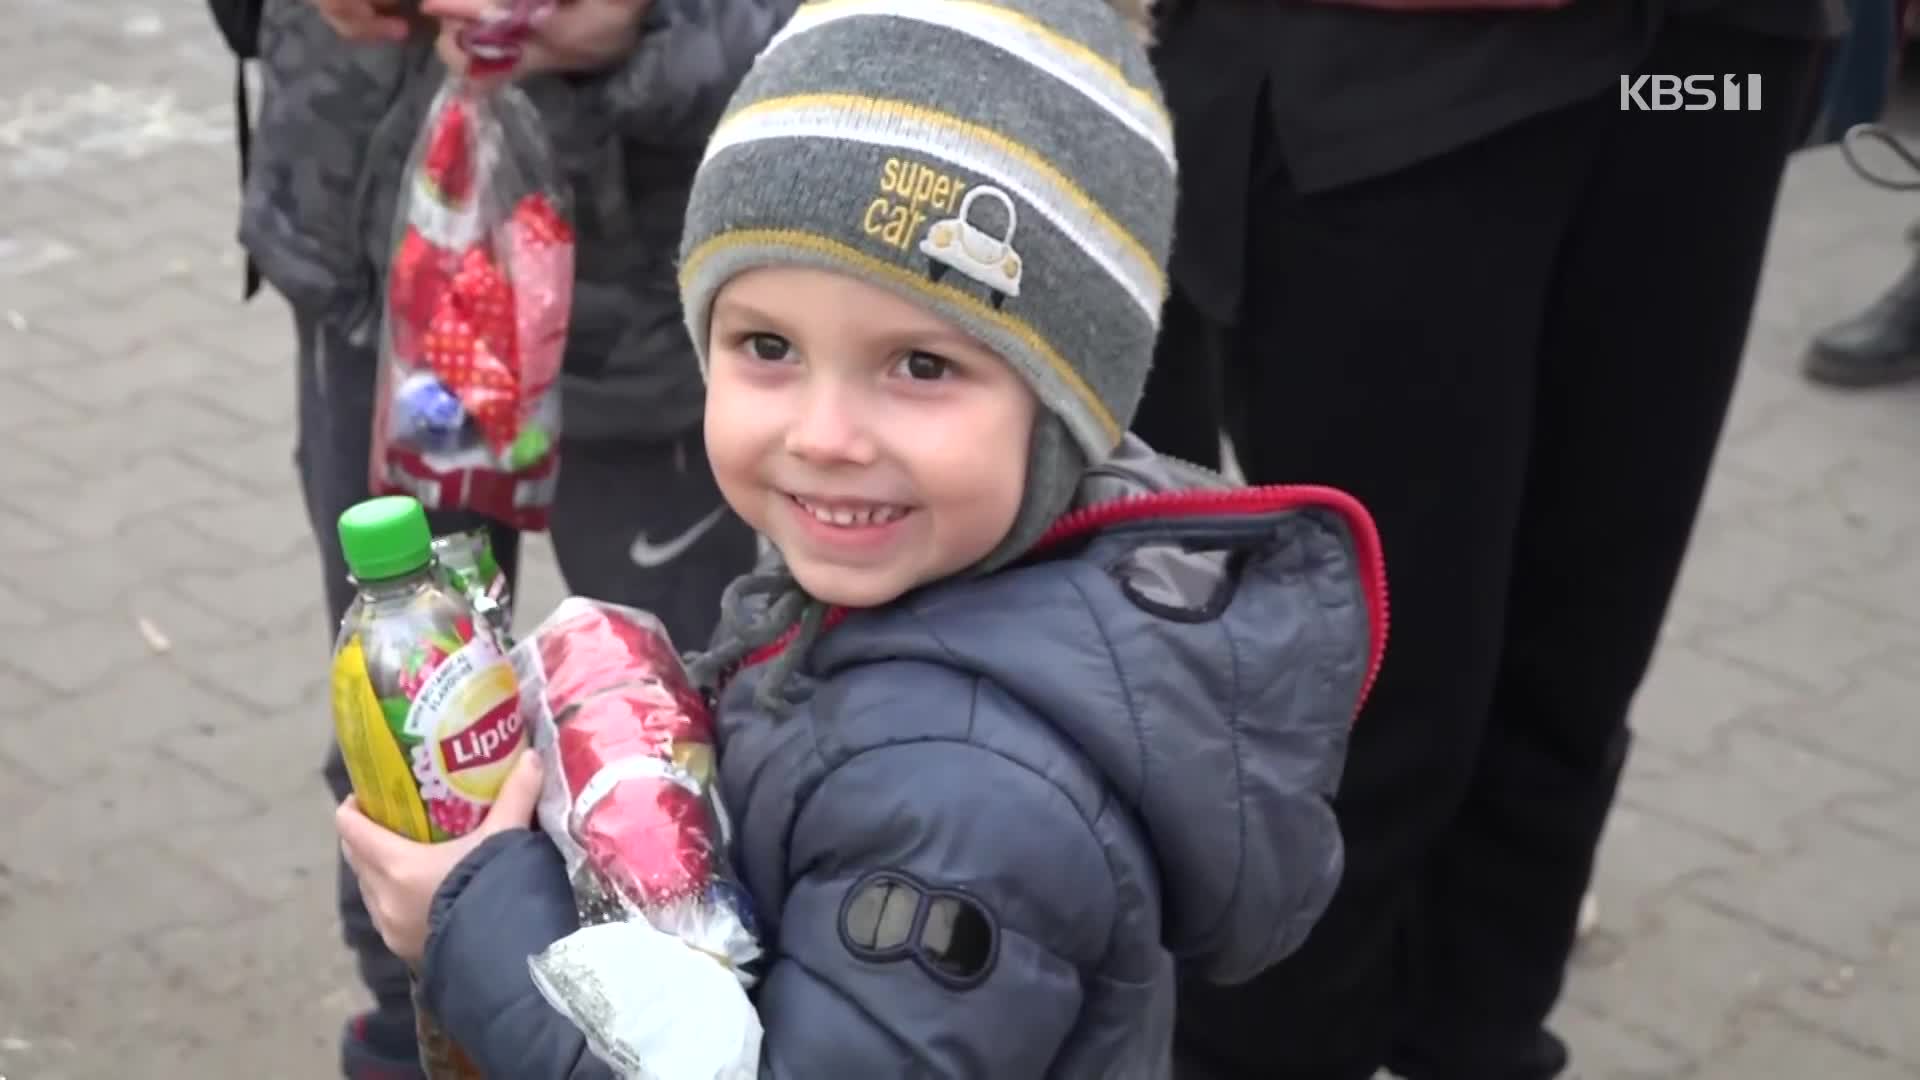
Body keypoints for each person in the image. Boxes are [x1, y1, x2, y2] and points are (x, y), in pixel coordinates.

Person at [332, 0, 1389, 1074]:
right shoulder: (903, 611)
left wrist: (481, 931)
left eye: (922, 366)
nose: (825, 435)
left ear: (1069, 404)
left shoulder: (968, 808)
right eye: (767, 345)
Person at [1130, 2, 1833, 1078]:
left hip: (1704, 66)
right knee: (1368, 719)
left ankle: (1481, 1040)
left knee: (1574, 672)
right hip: (1394, 71)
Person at [236, 0, 792, 1072]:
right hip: (375, 236)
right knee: (400, 724)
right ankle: (417, 1039)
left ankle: (699, 1042)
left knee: (670, 748)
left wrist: (652, 24)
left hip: (653, 282)